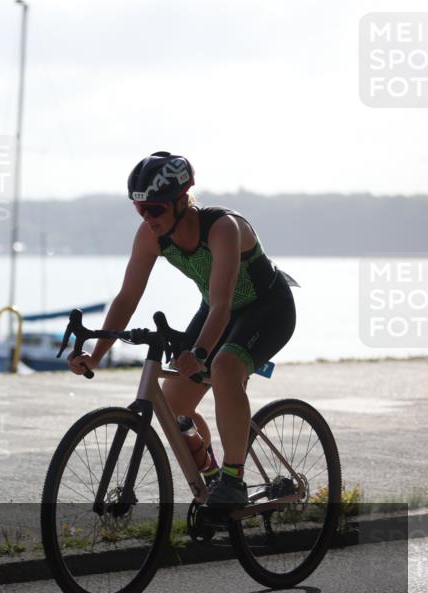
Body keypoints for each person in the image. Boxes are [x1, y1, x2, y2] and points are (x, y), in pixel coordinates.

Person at [68, 151, 297, 508]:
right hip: (219, 311)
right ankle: (213, 479)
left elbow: (221, 305)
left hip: (267, 309)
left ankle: (234, 480)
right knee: (174, 407)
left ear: (181, 201)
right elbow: (127, 297)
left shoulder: (223, 228)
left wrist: (200, 354)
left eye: (156, 209)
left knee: (224, 368)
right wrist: (95, 355)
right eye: (139, 209)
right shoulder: (151, 236)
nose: (148, 218)